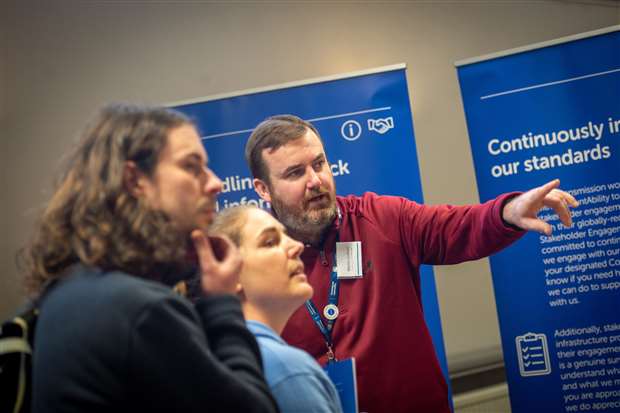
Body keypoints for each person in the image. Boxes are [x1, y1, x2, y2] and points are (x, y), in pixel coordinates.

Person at [244, 114, 579, 413]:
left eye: (319, 164)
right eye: (295, 173)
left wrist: (508, 212)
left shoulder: (380, 218)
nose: (315, 180)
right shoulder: (254, 262)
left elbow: (457, 226)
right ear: (263, 189)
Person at [19, 103, 279, 413]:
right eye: (191, 166)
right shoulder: (141, 311)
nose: (215, 183)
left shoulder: (67, 289)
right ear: (135, 180)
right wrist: (223, 303)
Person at [210, 205, 343, 413]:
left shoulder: (212, 355)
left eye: (286, 236)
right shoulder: (286, 369)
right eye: (270, 242)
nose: (296, 246)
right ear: (230, 273)